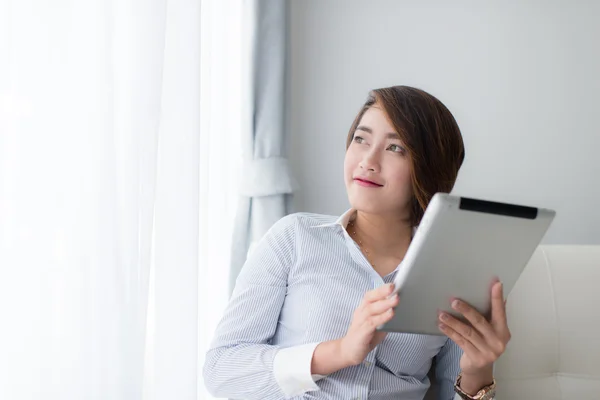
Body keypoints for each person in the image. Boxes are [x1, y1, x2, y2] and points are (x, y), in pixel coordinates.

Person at [203, 86, 511, 399]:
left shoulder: (451, 276)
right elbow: (221, 370)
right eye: (360, 139)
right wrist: (340, 352)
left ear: (430, 169)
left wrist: (478, 373)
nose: (368, 160)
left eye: (395, 148)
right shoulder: (294, 237)